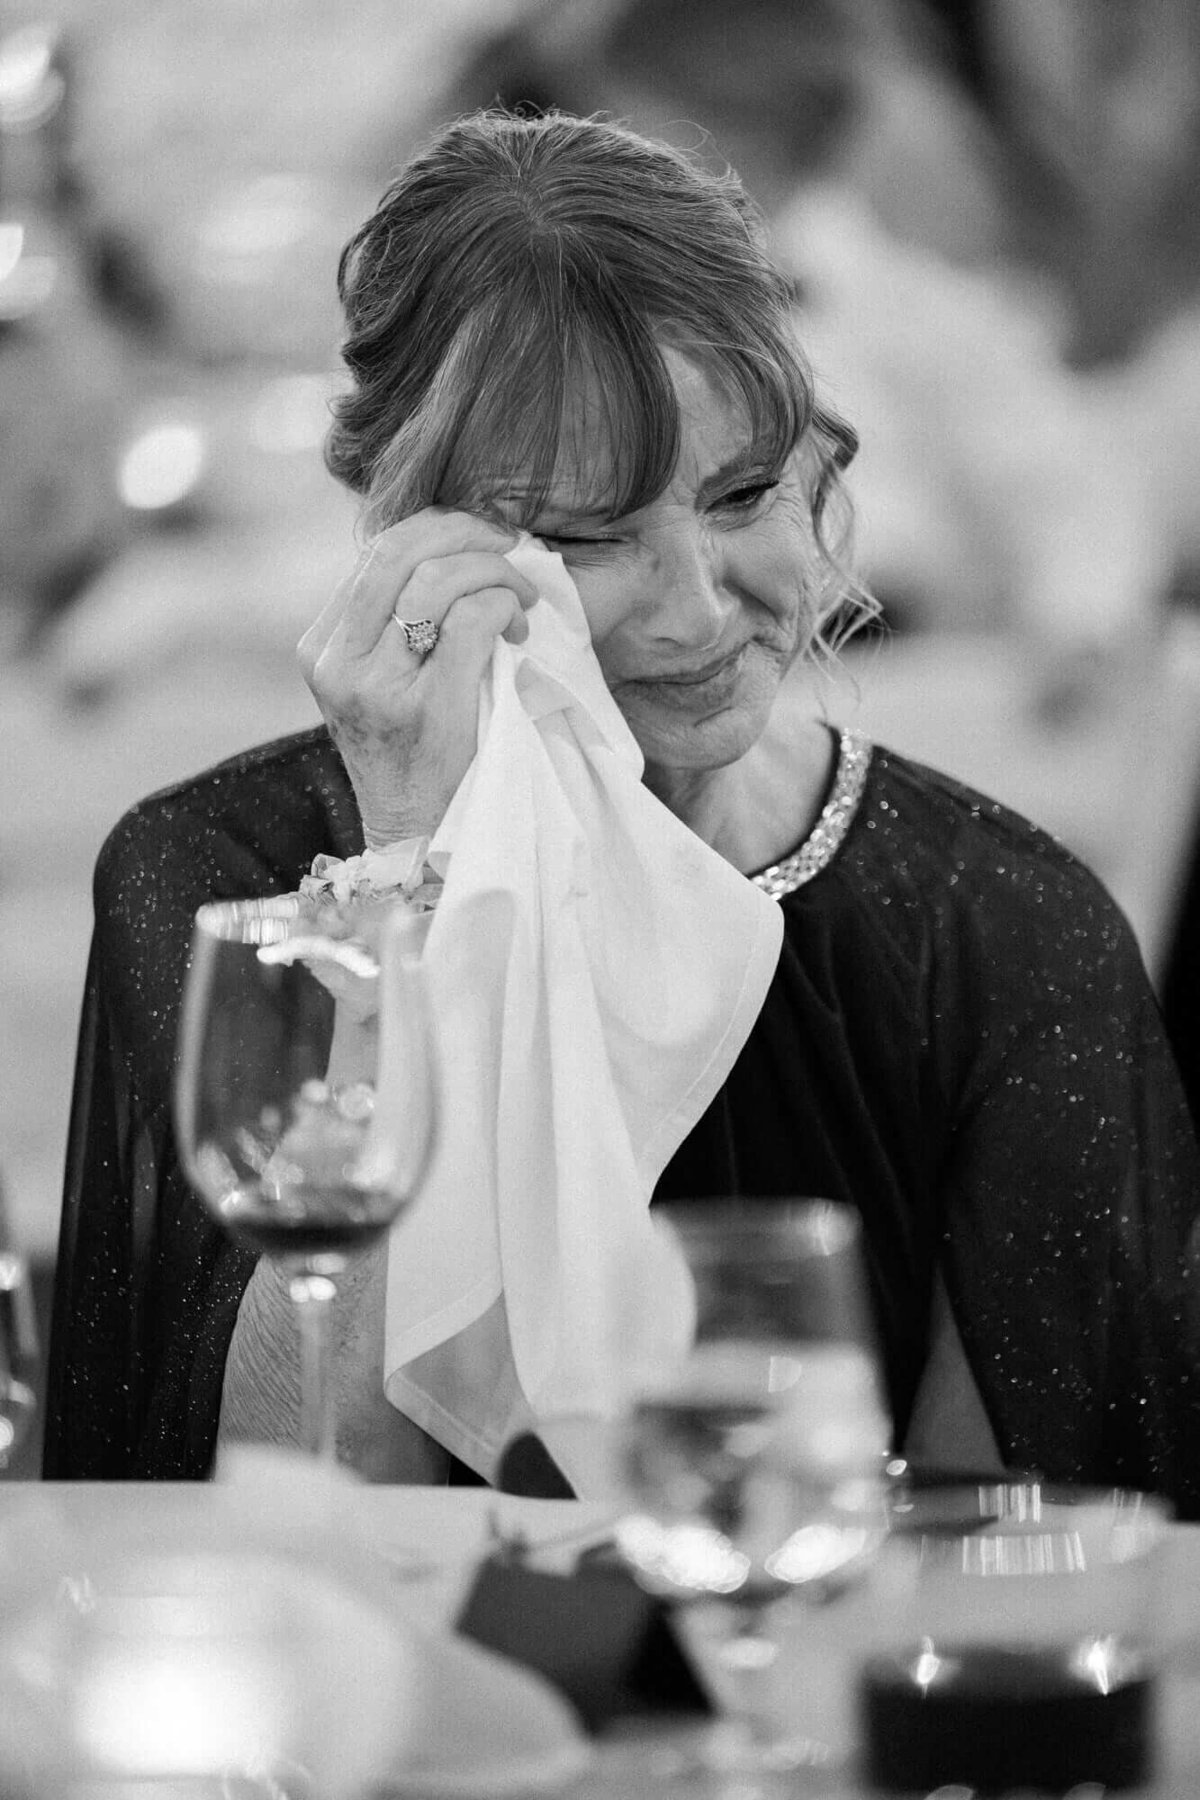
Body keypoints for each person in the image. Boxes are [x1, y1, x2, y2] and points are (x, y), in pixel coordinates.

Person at [44, 110, 1200, 1515]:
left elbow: (1005, 1564)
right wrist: (414, 863)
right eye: (587, 536)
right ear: (412, 536)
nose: (701, 606)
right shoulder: (223, 887)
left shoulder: (1000, 932)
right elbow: (281, 1528)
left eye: (742, 493)